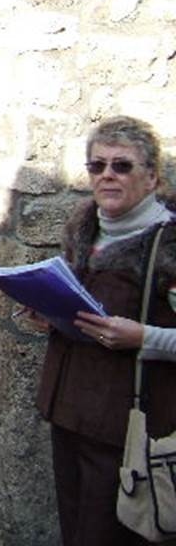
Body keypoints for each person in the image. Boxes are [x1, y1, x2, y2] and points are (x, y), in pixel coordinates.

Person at [32, 116, 176, 546]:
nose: (107, 175)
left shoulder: (169, 247)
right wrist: (48, 314)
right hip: (69, 415)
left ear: (151, 177)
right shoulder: (83, 231)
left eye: (122, 166)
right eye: (97, 166)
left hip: (129, 428)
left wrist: (141, 338)